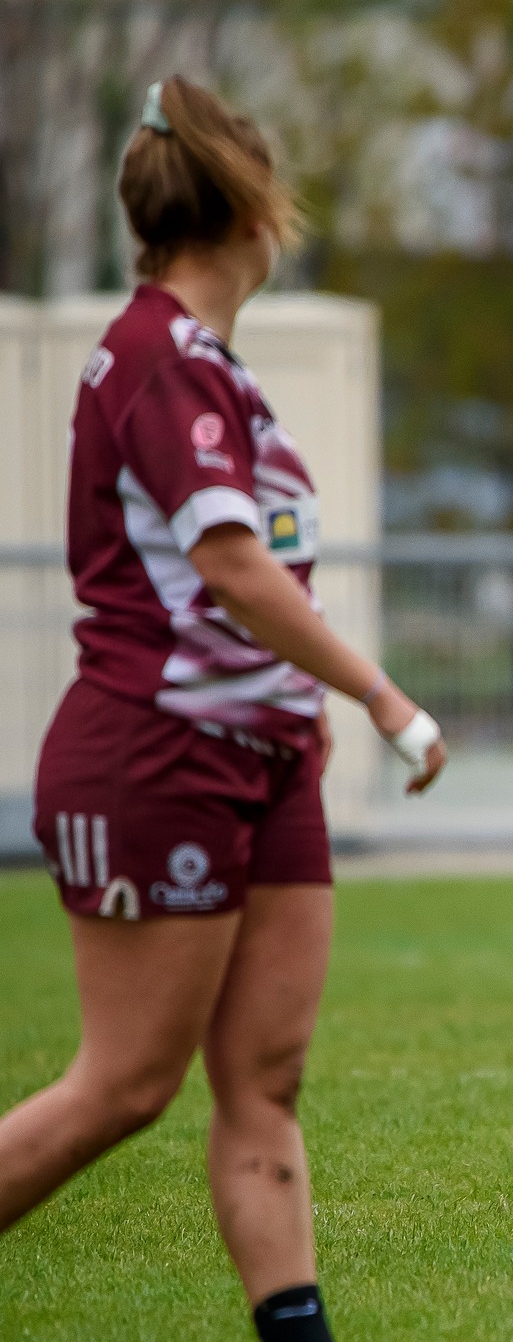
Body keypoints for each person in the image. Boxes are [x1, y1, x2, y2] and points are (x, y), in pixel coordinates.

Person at [0, 77, 447, 1341]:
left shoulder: (209, 366)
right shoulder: (157, 356)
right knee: (125, 1086)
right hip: (157, 751)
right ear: (255, 210)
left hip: (260, 758)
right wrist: (376, 692)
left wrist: (297, 707)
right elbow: (231, 565)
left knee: (264, 1080)